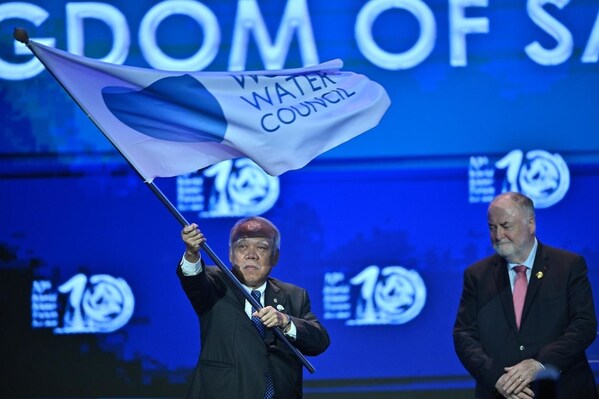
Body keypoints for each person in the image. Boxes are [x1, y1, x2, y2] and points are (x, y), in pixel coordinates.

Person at [453, 192, 598, 399]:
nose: (498, 235)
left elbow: (584, 325)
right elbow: (464, 335)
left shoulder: (568, 267)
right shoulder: (477, 276)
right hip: (501, 394)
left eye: (506, 225)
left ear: (531, 224)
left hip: (562, 390)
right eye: (492, 227)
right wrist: (497, 379)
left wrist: (540, 363)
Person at [178, 216, 330, 399]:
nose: (251, 254)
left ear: (275, 257)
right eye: (242, 246)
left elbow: (319, 341)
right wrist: (192, 253)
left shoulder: (294, 295)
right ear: (231, 254)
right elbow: (193, 278)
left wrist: (285, 321)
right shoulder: (213, 283)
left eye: (262, 247)